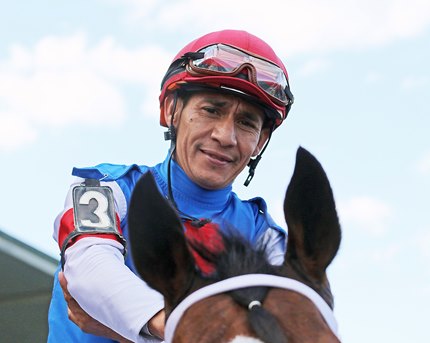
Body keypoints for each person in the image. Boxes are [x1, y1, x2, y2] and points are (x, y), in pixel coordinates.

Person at [47, 29, 294, 342]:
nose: (225, 136)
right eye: (211, 110)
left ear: (261, 142)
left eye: (246, 122)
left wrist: (130, 333)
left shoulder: (268, 239)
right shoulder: (101, 185)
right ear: (171, 111)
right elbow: (92, 269)